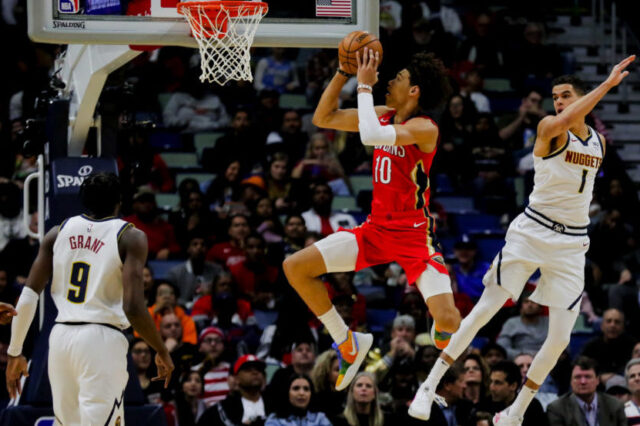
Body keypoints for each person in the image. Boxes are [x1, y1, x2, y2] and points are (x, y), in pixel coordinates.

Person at [413, 55, 637, 424]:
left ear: (581, 98)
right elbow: (564, 120)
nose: (559, 102)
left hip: (572, 243)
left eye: (566, 95)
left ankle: (515, 413)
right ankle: (429, 386)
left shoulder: (599, 142)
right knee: (485, 311)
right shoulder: (550, 126)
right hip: (533, 231)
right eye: (555, 96)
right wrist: (607, 85)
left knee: (562, 337)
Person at [283, 47, 460, 393]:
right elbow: (324, 117)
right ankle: (346, 342)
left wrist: (363, 86)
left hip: (414, 238)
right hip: (375, 229)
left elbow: (370, 136)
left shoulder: (424, 127)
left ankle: (442, 326)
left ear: (414, 91)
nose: (390, 79)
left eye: (400, 77)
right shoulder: (382, 113)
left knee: (449, 321)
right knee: (295, 267)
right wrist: (342, 72)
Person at [4, 172, 174, 424]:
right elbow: (133, 307)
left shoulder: (56, 232)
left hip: (61, 339)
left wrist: (15, 351)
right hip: (101, 339)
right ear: (120, 200)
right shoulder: (130, 236)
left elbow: (28, 296)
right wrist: (161, 349)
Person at [547, 357, 626, 426]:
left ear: (597, 380)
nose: (583, 382)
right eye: (578, 377)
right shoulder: (557, 409)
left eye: (588, 377)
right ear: (571, 381)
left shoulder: (615, 405)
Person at [197, 354, 272, 426]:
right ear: (236, 378)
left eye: (259, 369)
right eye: (248, 370)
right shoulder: (221, 410)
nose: (255, 372)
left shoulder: (276, 404)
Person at [265, 373, 332, 426]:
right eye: (296, 388)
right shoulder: (275, 419)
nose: (301, 393)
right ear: (287, 393)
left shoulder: (320, 418)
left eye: (306, 389)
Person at [624, 358, 640, 423]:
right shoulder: (621, 411)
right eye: (632, 376)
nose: (637, 378)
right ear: (627, 383)